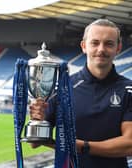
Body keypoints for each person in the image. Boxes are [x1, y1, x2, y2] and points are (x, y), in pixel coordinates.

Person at [29, 19, 132, 168]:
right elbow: (34, 142)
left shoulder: (129, 89)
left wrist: (82, 146)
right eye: (95, 43)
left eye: (109, 44)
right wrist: (37, 118)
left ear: (118, 48)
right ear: (84, 46)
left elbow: (129, 145)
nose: (101, 49)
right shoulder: (62, 88)